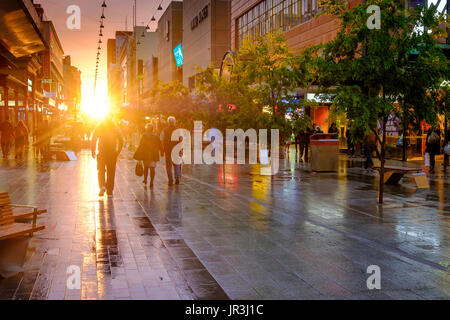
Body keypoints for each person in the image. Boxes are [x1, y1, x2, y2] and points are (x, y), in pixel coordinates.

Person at [91, 115, 124, 197]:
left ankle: (102, 186)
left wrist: (93, 150)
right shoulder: (115, 127)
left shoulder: (99, 126)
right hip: (112, 152)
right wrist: (118, 151)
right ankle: (109, 191)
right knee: (111, 171)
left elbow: (94, 138)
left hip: (102, 152)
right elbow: (121, 140)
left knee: (101, 170)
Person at [134, 123, 162, 188]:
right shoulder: (156, 135)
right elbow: (159, 144)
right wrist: (162, 151)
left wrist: (138, 155)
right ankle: (151, 182)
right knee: (152, 168)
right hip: (154, 154)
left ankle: (145, 179)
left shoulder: (144, 135)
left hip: (146, 154)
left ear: (147, 128)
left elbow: (141, 145)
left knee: (146, 167)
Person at [161, 116, 182, 186]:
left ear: (168, 122)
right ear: (174, 122)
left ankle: (170, 180)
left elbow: (162, 140)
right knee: (177, 165)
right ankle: (177, 178)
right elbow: (181, 140)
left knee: (168, 166)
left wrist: (162, 150)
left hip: (168, 150)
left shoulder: (164, 130)